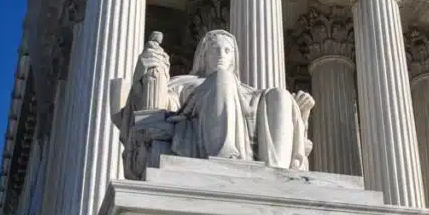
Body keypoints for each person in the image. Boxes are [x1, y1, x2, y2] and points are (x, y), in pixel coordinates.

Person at [125, 29, 313, 170]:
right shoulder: (184, 83)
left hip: (256, 143)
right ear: (203, 56)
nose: (221, 55)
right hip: (200, 137)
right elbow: (162, 109)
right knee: (223, 78)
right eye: (215, 50)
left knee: (280, 94)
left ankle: (276, 174)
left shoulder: (249, 92)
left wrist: (301, 114)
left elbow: (293, 134)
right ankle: (225, 160)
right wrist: (152, 71)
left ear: (234, 58)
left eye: (227, 50)